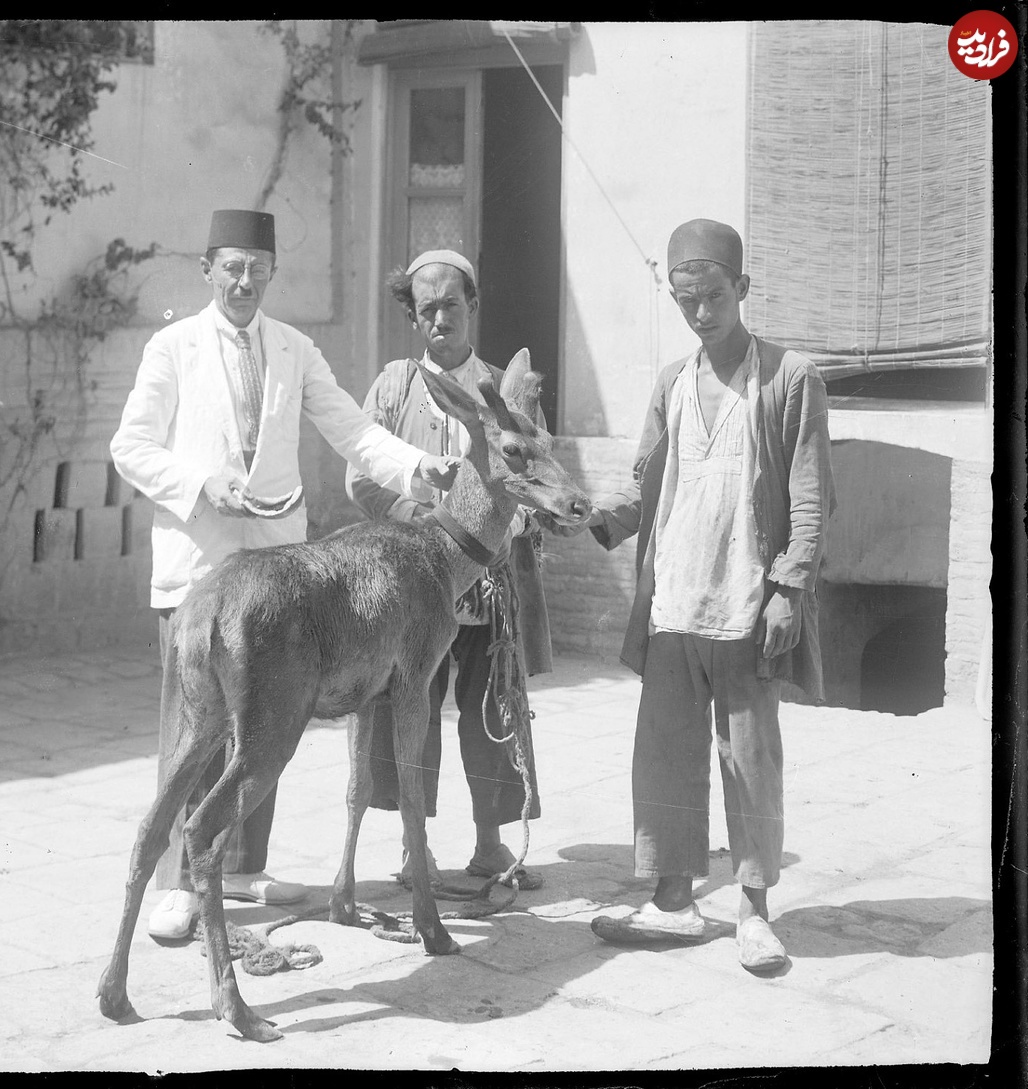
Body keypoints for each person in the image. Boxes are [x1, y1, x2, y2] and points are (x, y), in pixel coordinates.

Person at [109, 210, 461, 941]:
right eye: (232, 268)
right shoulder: (172, 347)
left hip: (278, 570)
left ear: (271, 274)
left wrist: (415, 466)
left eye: (257, 270)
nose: (244, 282)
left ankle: (239, 865)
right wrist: (198, 483)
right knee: (194, 726)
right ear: (207, 269)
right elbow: (130, 446)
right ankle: (178, 879)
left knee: (274, 717)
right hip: (200, 565)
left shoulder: (295, 349)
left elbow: (352, 430)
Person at [560, 219, 834, 972]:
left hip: (745, 600)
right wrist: (599, 519)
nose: (702, 314)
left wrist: (788, 588)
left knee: (749, 756)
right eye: (686, 302)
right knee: (666, 754)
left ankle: (753, 909)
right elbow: (649, 483)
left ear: (742, 289)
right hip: (674, 597)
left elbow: (810, 500)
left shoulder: (789, 378)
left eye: (714, 297)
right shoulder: (672, 383)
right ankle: (674, 900)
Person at [346, 249, 554, 892]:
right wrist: (419, 513)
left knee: (492, 706)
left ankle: (491, 845)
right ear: (414, 315)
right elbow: (360, 475)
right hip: (412, 585)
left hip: (488, 582)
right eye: (426, 308)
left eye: (451, 305)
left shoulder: (503, 388)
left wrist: (511, 523)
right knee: (411, 707)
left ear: (472, 305)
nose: (440, 318)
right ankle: (416, 848)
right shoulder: (394, 387)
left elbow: (537, 471)